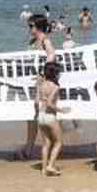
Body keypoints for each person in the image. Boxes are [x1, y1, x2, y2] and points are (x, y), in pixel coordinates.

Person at [18, 15, 57, 160]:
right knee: (33, 116)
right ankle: (31, 148)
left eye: (31, 26)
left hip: (42, 83)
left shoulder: (45, 40)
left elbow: (52, 55)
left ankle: (38, 148)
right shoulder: (33, 41)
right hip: (32, 83)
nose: (29, 29)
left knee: (41, 115)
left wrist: (42, 74)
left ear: (38, 27)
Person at [35, 62, 70, 176]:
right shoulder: (55, 87)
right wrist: (61, 110)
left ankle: (44, 170)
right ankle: (51, 165)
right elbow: (50, 103)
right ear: (55, 73)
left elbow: (36, 102)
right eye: (58, 72)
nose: (59, 75)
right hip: (50, 116)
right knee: (59, 142)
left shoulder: (41, 85)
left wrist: (36, 114)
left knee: (46, 144)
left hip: (40, 116)